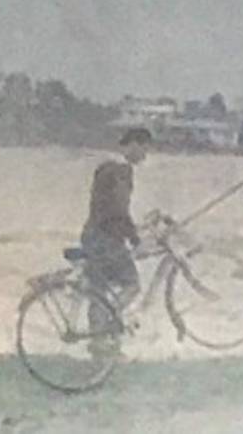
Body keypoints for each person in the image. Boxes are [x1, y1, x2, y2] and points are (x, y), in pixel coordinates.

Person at [81, 127, 152, 357]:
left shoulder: (106, 166)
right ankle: (108, 327)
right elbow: (119, 210)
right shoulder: (122, 170)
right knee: (132, 284)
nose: (145, 155)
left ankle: (98, 342)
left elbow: (109, 208)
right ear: (133, 145)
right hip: (107, 239)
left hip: (93, 235)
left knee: (98, 290)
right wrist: (135, 239)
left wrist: (132, 231)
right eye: (144, 148)